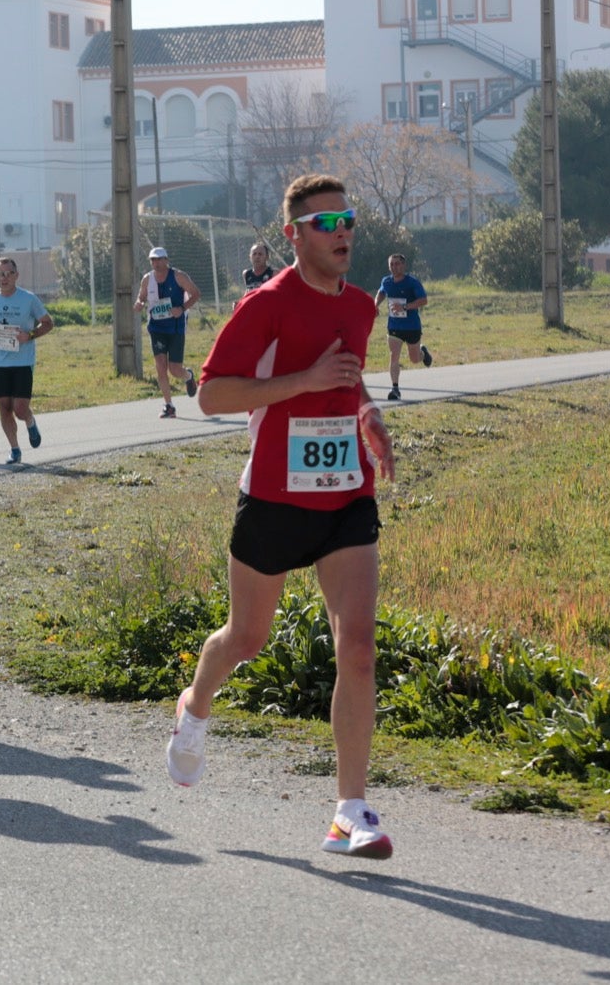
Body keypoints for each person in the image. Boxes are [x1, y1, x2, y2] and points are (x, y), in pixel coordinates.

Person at [167, 173, 397, 860]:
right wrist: (304, 383)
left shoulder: (358, 305)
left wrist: (367, 412)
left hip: (345, 495)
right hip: (273, 496)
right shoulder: (265, 304)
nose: (342, 231)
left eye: (348, 220)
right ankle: (194, 708)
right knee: (246, 637)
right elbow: (211, 395)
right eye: (326, 223)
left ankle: (349, 812)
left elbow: (347, 373)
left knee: (358, 646)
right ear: (293, 235)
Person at [0, 256, 52, 464]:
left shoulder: (28, 299)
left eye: (8, 274)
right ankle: (15, 449)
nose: (4, 278)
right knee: (5, 408)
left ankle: (30, 421)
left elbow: (48, 323)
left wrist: (30, 335)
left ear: (16, 275)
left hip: (23, 362)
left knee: (20, 408)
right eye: (0, 274)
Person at [136, 246, 201, 419]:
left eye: (159, 259)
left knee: (175, 369)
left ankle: (188, 376)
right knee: (160, 365)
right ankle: (169, 406)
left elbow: (196, 294)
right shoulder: (147, 279)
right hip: (156, 328)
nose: (156, 263)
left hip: (175, 327)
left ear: (166, 260)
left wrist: (182, 308)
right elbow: (141, 296)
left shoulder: (179, 276)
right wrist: (139, 303)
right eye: (153, 260)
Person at [373, 253, 433, 401]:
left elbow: (423, 300)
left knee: (414, 359)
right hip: (394, 326)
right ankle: (395, 389)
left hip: (412, 326)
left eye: (397, 264)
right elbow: (381, 292)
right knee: (394, 356)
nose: (394, 267)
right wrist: (375, 305)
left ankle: (423, 353)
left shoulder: (412, 282)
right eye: (391, 264)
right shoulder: (386, 281)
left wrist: (404, 307)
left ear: (403, 265)